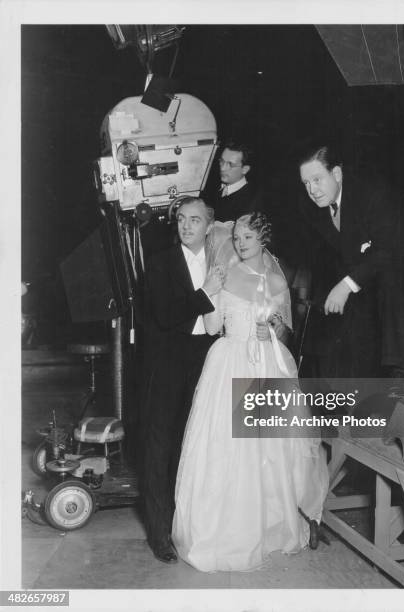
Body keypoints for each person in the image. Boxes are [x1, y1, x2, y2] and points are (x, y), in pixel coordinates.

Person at [172, 212, 328, 573]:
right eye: (237, 238)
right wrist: (211, 288)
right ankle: (224, 528)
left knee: (267, 449)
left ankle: (268, 524)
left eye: (247, 239)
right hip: (227, 361)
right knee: (223, 446)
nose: (240, 245)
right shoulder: (226, 272)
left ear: (263, 241)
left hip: (264, 365)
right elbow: (213, 327)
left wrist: (271, 330)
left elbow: (284, 330)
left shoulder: (274, 279)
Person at [141, 197, 224, 564]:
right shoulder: (160, 263)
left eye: (195, 220)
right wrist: (205, 293)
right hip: (168, 359)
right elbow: (165, 313)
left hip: (206, 357)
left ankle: (191, 526)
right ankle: (160, 534)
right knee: (160, 445)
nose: (186, 226)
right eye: (182, 219)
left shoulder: (221, 261)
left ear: (209, 226)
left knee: (194, 444)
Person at [297, 144, 404, 378]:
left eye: (317, 179)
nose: (312, 190)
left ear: (337, 174)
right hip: (346, 313)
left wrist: (346, 285)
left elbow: (387, 252)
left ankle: (393, 377)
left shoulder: (372, 195)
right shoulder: (312, 211)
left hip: (380, 305)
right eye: (306, 183)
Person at [210, 139, 264, 222]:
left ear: (245, 169)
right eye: (222, 161)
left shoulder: (250, 203)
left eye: (230, 164)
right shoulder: (214, 187)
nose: (222, 168)